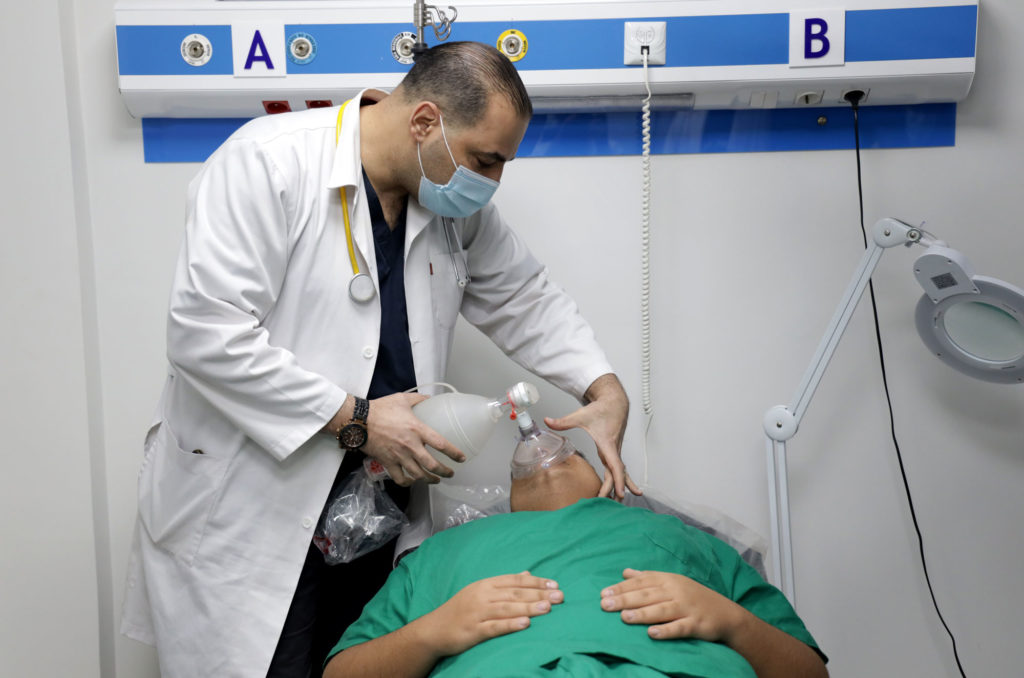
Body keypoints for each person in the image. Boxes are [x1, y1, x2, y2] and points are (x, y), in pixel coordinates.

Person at [119, 41, 639, 678]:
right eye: (486, 159)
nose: (493, 181)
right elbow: (205, 331)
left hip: (373, 507)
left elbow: (525, 296)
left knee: (361, 661)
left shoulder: (450, 201)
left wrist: (604, 390)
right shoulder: (268, 162)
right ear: (425, 122)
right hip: (251, 503)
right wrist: (355, 418)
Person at [323, 452, 829, 678]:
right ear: (511, 503)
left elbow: (808, 673)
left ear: (607, 485)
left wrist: (732, 620)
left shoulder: (691, 542)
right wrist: (432, 633)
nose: (542, 440)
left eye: (575, 453)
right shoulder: (438, 552)